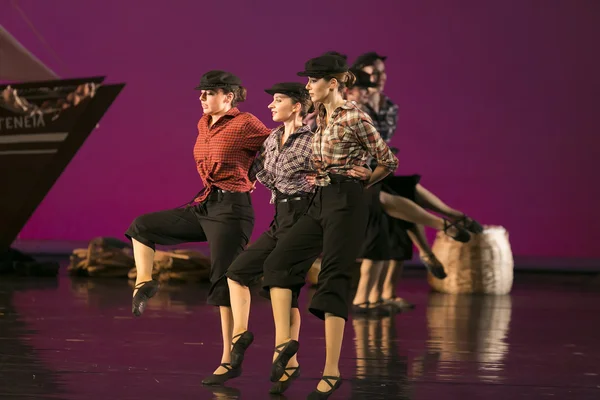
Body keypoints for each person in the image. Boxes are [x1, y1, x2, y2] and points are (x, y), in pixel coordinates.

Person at [261, 54, 399, 399]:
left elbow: (388, 160)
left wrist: (364, 180)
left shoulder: (355, 117)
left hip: (347, 202)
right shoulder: (316, 117)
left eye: (312, 81)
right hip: (319, 198)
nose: (308, 87)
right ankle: (287, 348)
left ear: (333, 83)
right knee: (278, 264)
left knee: (333, 279)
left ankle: (332, 371)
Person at [124, 70, 271, 383]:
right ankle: (144, 282)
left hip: (233, 210)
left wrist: (252, 175)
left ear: (228, 96)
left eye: (209, 93)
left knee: (223, 279)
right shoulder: (203, 124)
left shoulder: (246, 123)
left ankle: (229, 359)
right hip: (206, 204)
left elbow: (274, 146)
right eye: (201, 93)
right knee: (142, 226)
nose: (201, 98)